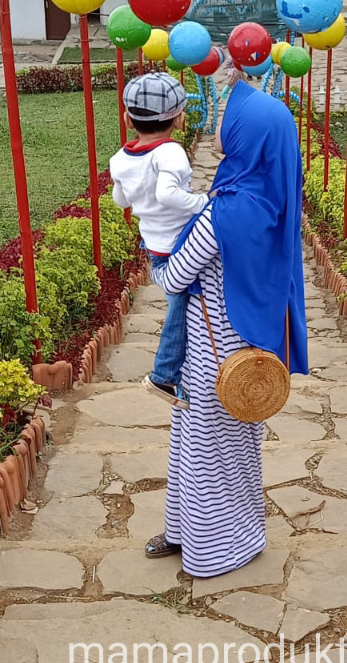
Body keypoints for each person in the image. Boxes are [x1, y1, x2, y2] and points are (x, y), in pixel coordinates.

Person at [144, 81, 308, 578]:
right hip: (249, 351)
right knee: (231, 451)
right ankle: (193, 533)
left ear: (244, 135)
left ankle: (213, 552)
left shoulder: (223, 212)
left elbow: (174, 277)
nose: (217, 122)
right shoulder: (271, 200)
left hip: (211, 354)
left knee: (204, 454)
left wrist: (152, 252)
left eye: (227, 115)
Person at [109, 72, 215, 409]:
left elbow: (121, 201)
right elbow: (167, 194)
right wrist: (203, 203)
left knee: (181, 306)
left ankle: (181, 373)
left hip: (153, 245)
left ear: (127, 119)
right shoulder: (169, 153)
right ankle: (164, 375)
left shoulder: (120, 159)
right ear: (180, 118)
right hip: (180, 245)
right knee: (181, 310)